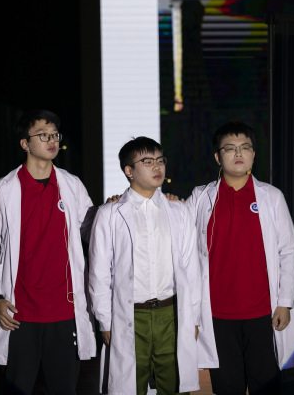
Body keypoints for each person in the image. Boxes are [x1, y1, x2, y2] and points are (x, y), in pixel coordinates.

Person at [0, 109, 97, 395]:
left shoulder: (71, 185)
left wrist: (115, 210)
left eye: (55, 135)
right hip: (19, 313)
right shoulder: (2, 190)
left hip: (64, 310)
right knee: (17, 388)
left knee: (64, 389)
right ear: (24, 144)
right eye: (43, 135)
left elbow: (93, 231)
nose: (52, 140)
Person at [186, 122, 294, 395]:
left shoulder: (271, 197)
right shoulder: (201, 197)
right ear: (218, 157)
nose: (238, 153)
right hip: (216, 313)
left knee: (267, 385)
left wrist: (285, 302)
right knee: (227, 388)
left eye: (245, 147)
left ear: (253, 154)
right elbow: (178, 234)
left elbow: (288, 250)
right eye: (230, 148)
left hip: (263, 312)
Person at [88, 136, 202, 395]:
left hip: (171, 314)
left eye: (160, 160)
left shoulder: (179, 211)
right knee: (129, 386)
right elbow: (99, 273)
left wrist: (193, 316)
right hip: (130, 315)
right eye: (147, 162)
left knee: (174, 385)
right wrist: (105, 321)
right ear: (129, 171)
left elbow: (190, 268)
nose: (157, 167)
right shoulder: (109, 214)